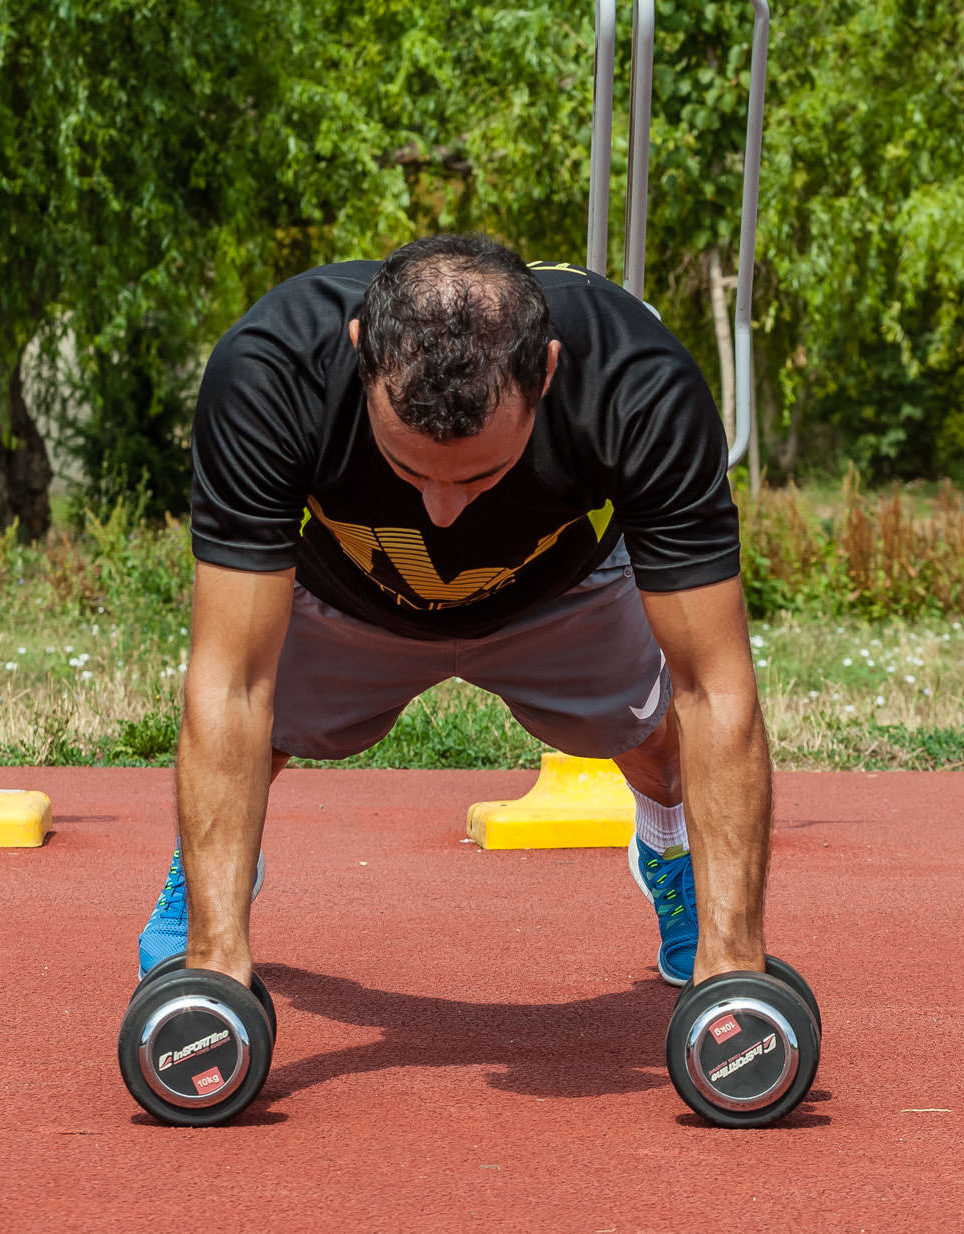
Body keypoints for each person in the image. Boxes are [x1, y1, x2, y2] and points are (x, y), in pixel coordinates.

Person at [137, 233, 771, 992]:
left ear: (546, 371)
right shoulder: (272, 369)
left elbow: (715, 687)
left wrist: (737, 973)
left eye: (482, 473)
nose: (442, 513)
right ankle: (210, 883)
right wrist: (214, 971)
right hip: (346, 601)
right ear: (359, 351)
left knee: (666, 750)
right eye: (408, 467)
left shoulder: (637, 381)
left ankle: (673, 855)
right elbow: (229, 681)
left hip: (558, 596)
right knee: (246, 742)